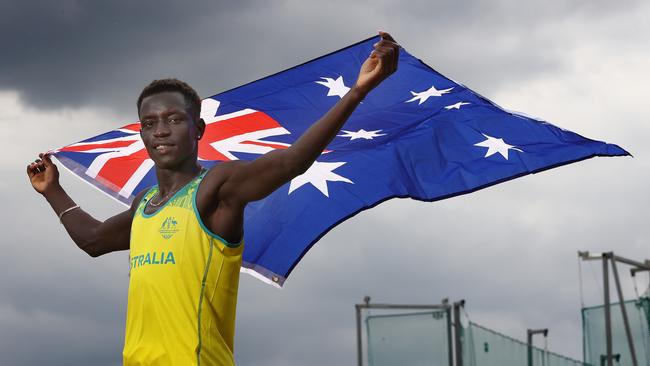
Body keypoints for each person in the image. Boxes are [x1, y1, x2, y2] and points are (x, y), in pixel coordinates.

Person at [27, 32, 399, 365]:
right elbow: (93, 240)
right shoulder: (145, 204)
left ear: (198, 128)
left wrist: (357, 91)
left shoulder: (216, 189)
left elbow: (291, 162)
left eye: (174, 120)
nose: (160, 131)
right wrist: (53, 190)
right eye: (150, 123)